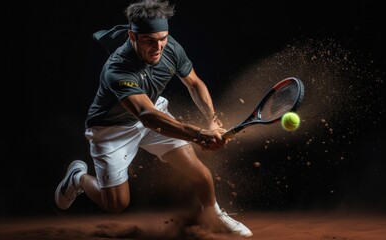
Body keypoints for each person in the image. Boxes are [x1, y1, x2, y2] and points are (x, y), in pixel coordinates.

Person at [54, 0, 252, 237]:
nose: (159, 46)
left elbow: (194, 83)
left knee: (199, 173)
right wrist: (199, 134)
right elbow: (148, 117)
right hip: (112, 130)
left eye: (163, 38)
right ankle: (78, 178)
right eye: (150, 40)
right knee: (115, 204)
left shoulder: (170, 48)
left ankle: (215, 216)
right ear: (133, 37)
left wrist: (211, 119)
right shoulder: (117, 69)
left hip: (152, 111)